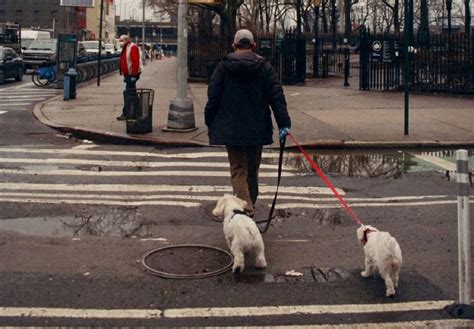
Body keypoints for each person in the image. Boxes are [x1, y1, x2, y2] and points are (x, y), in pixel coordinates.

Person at [204, 29, 291, 217]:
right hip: (257, 127)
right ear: (253, 46)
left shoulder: (223, 67)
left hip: (231, 128)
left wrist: (209, 120)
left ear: (234, 46)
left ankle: (246, 209)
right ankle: (249, 204)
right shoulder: (264, 67)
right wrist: (283, 123)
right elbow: (276, 96)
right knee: (252, 170)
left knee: (238, 170)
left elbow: (213, 97)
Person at [117, 35, 142, 121]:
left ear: (126, 40)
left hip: (132, 74)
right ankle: (136, 111)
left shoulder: (132, 47)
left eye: (121, 40)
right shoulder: (126, 47)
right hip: (129, 74)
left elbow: (135, 62)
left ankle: (127, 113)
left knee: (129, 93)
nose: (120, 42)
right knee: (131, 93)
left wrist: (134, 76)